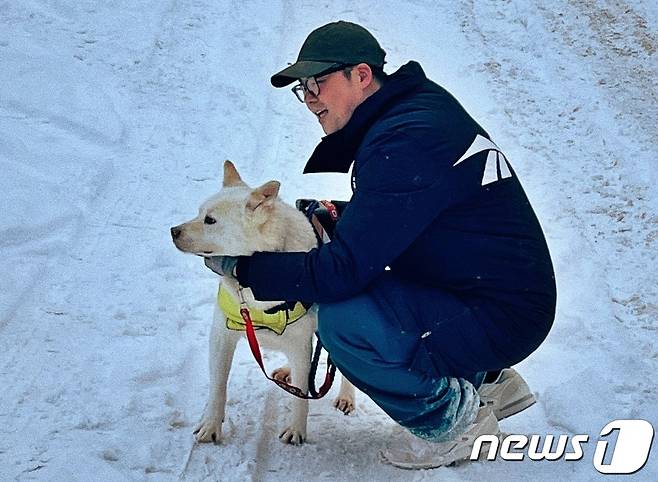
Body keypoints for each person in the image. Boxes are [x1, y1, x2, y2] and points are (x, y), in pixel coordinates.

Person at [205, 20, 556, 468]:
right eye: (302, 89)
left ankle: (454, 422)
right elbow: (409, 208)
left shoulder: (406, 137)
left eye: (317, 82)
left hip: (502, 313)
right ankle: (487, 380)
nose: (309, 97)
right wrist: (338, 213)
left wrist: (245, 270)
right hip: (488, 294)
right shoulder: (413, 112)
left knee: (342, 323)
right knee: (362, 291)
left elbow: (342, 271)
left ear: (362, 75)